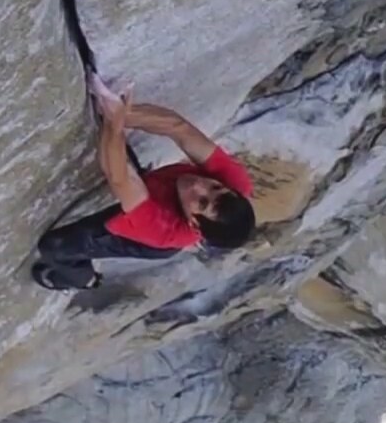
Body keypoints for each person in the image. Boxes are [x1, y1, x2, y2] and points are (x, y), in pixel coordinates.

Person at [31, 76, 256, 291]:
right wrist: (121, 111)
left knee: (54, 247)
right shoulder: (235, 182)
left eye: (202, 202)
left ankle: (84, 279)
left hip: (148, 239)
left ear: (194, 223)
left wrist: (115, 123)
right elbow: (179, 128)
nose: (199, 185)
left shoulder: (163, 229)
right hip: (154, 198)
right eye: (214, 187)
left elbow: (120, 178)